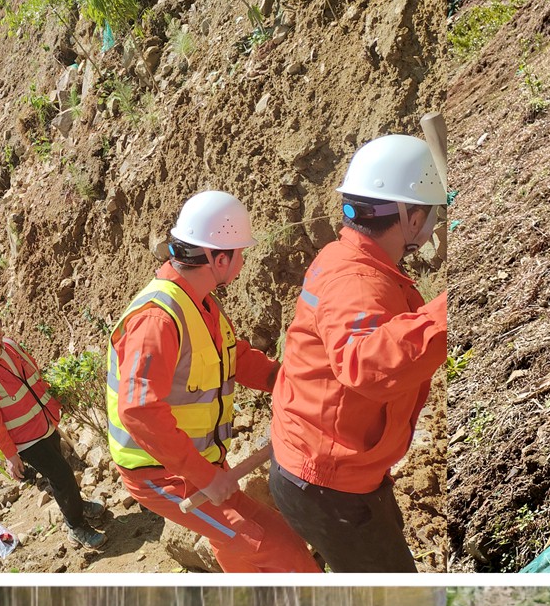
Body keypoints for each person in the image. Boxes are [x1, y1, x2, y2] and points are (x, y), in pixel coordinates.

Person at [106, 191, 319, 573]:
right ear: (219, 259)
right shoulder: (157, 320)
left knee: (253, 540)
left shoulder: (197, 301)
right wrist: (203, 476)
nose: (243, 260)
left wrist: (285, 379)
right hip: (160, 475)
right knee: (272, 546)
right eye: (240, 253)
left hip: (196, 463)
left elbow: (230, 357)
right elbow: (138, 411)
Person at [269, 134, 449, 572]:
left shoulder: (345, 256)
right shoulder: (356, 280)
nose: (434, 226)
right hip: (329, 488)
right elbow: (367, 362)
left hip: (324, 471)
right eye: (433, 215)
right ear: (410, 218)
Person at [0, 300, 107, 549]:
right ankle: (76, 527)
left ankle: (79, 506)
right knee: (62, 476)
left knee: (64, 473)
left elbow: (36, 377)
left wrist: (58, 402)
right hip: (26, 440)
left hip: (44, 421)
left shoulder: (11, 346)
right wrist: (10, 455)